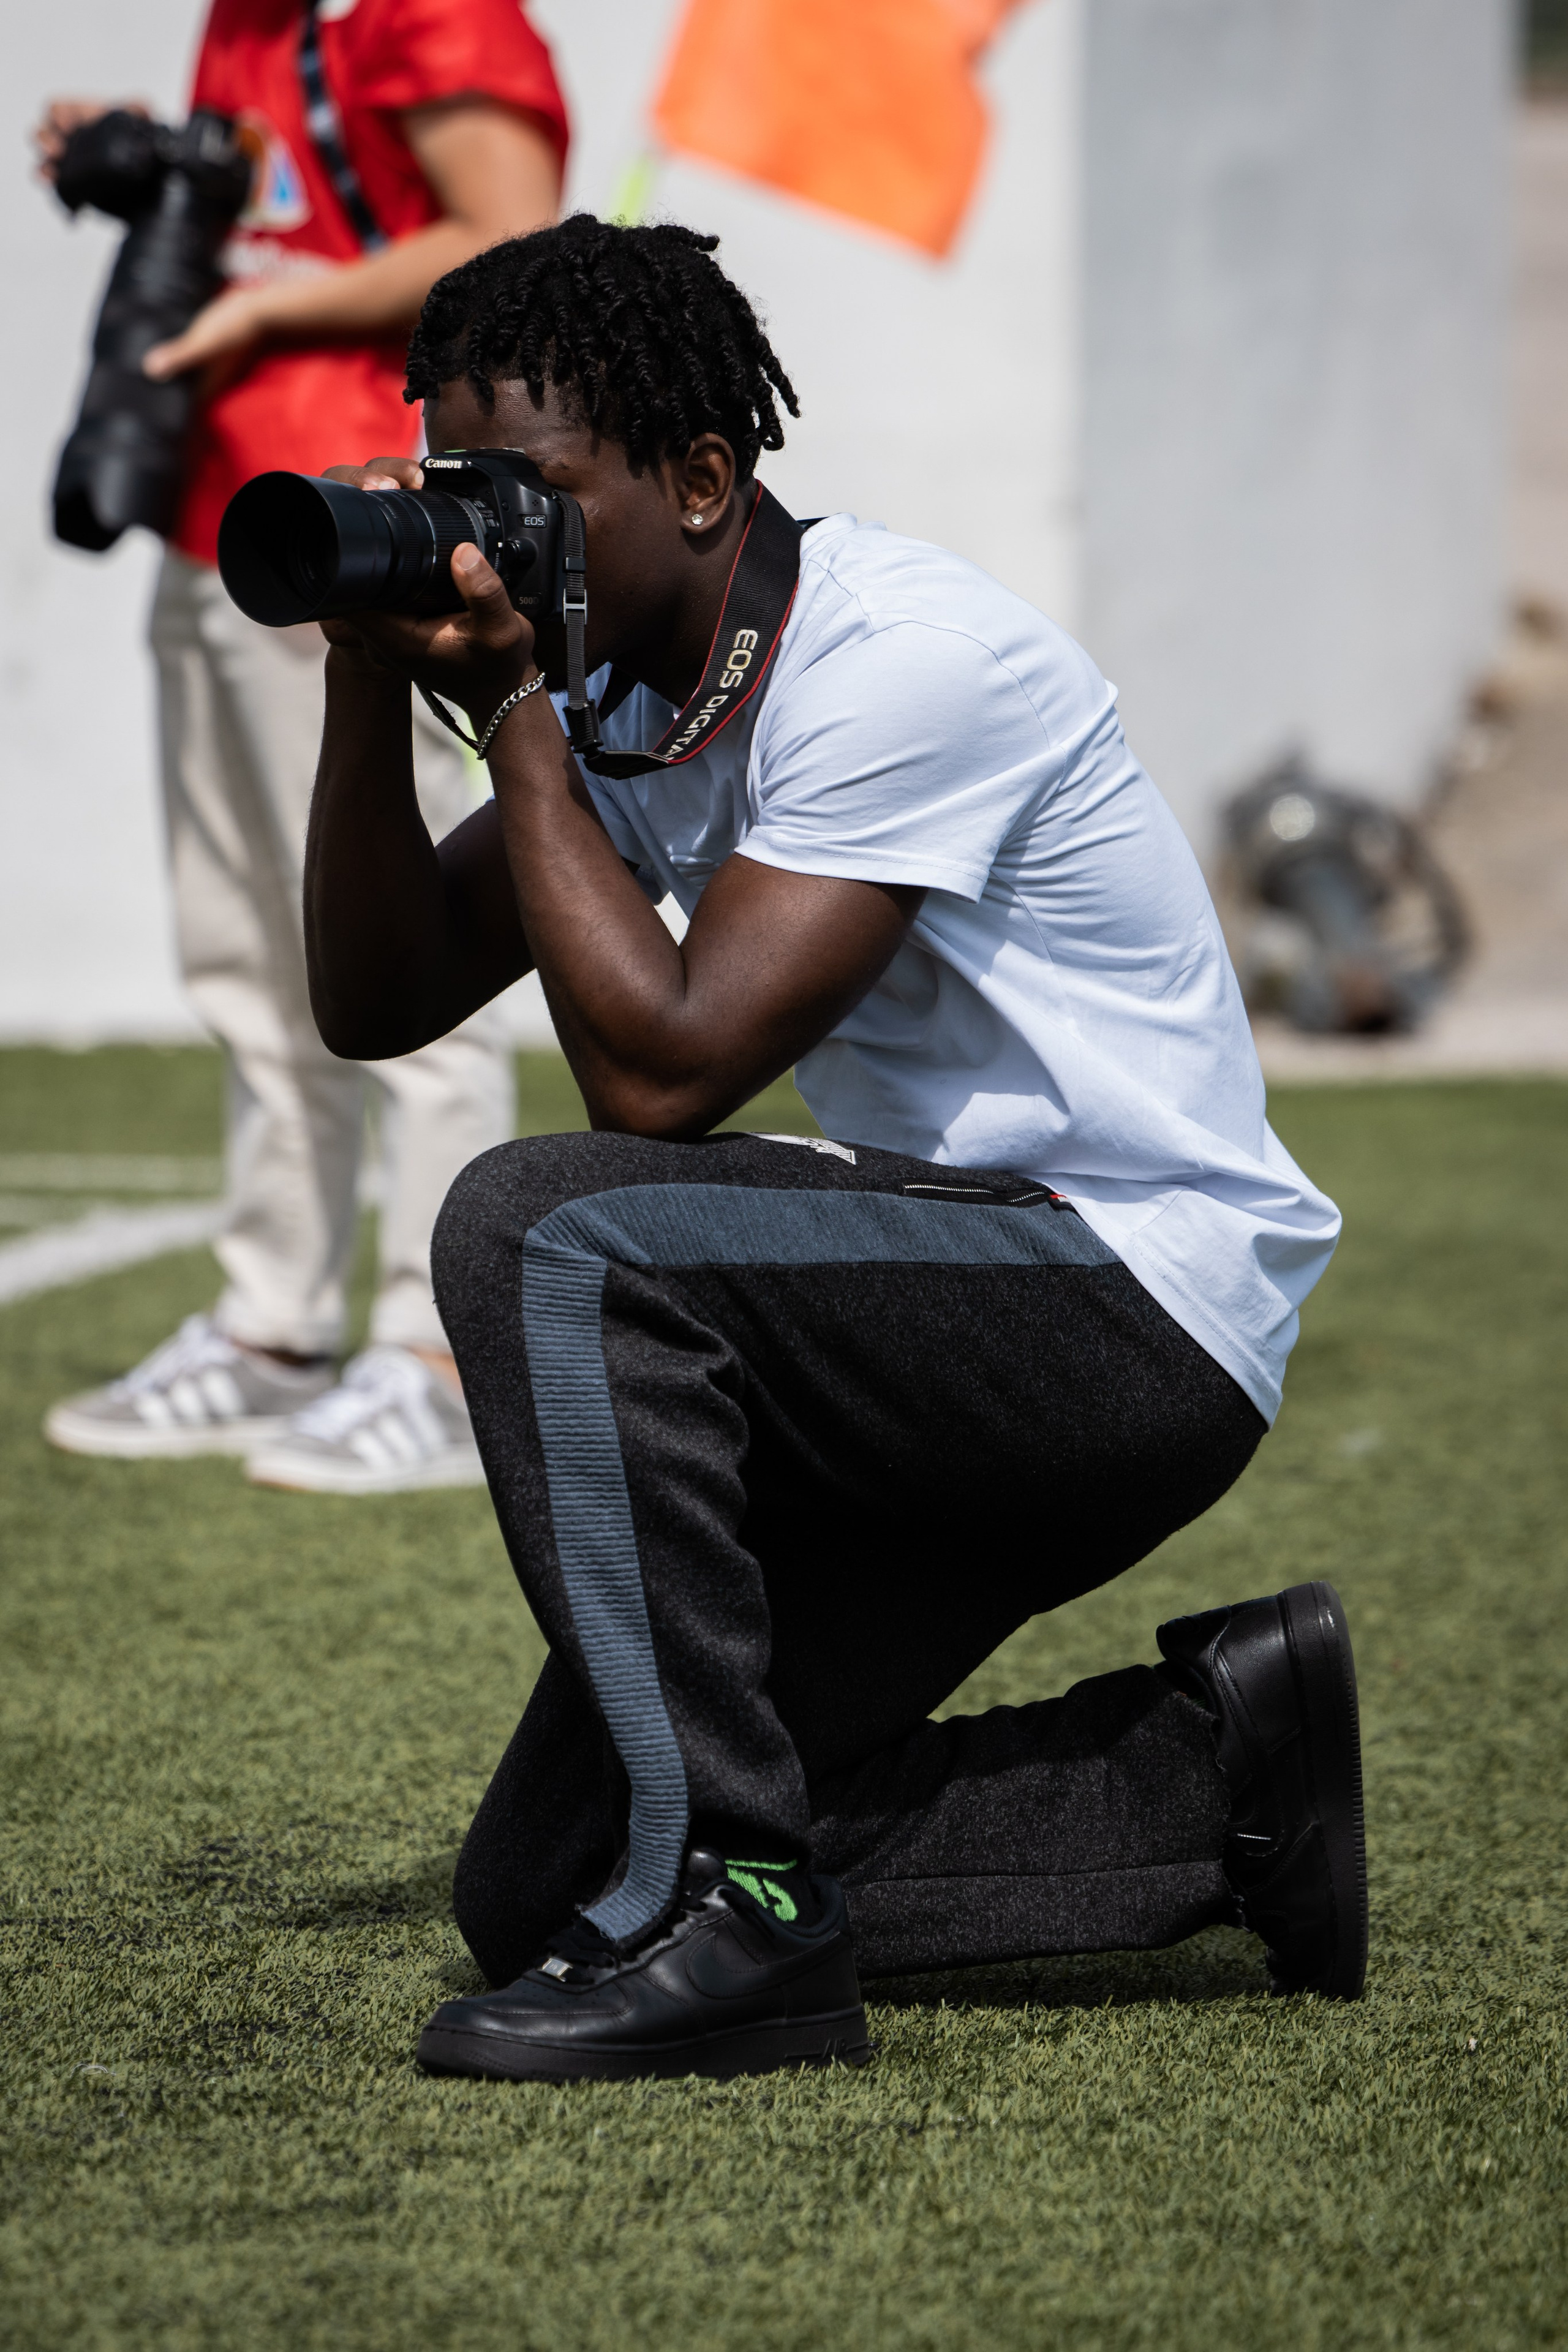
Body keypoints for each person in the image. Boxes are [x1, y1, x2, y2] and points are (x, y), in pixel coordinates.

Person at [302, 216, 1363, 2083]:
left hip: (1127, 1293)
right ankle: (1223, 1774)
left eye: (531, 495)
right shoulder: (632, 679)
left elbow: (666, 1080)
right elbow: (377, 993)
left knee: (552, 1226)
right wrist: (372, 679)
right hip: (936, 1305)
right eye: (456, 493)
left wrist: (521, 714)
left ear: (704, 478)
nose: (489, 540)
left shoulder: (900, 660)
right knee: (536, 1879)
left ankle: (739, 1914)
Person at [36, 0, 567, 1494]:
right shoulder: (251, 17)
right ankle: (272, 1331)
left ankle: (437, 1353)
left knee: (408, 947)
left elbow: (508, 240)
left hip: (356, 505)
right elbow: (277, 208)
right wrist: (157, 168)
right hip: (219, 511)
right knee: (246, 955)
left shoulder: (425, 10)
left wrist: (267, 315)